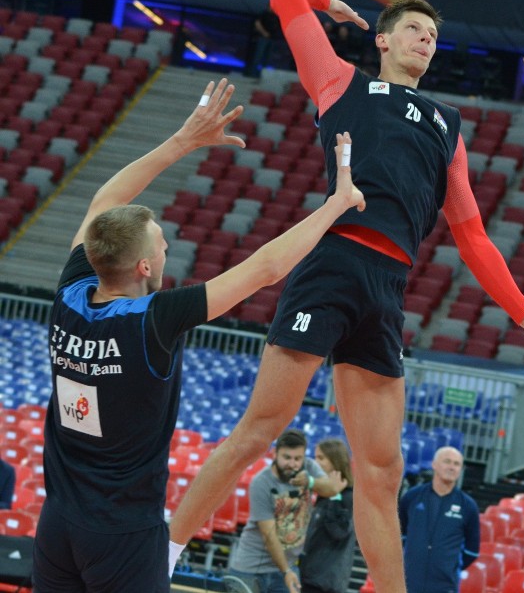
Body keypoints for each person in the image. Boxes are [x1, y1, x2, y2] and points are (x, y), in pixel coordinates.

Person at [168, 0, 524, 593]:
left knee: (382, 472)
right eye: (413, 29)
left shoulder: (448, 125)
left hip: (387, 287)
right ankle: (160, 557)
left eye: (433, 36)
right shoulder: (340, 81)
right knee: (259, 432)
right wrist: (329, 3)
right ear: (383, 40)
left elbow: (473, 238)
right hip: (331, 265)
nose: (425, 40)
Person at [31, 77, 365, 593]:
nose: (168, 248)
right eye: (161, 243)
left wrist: (183, 140)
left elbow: (104, 199)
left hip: (56, 526)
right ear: (144, 264)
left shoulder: (71, 293)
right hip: (122, 535)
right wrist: (337, 204)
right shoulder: (153, 318)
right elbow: (266, 268)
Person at [224, 429, 344, 593]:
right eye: (286, 457)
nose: (292, 464)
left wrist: (309, 481)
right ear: (275, 454)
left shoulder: (308, 467)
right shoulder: (261, 482)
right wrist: (286, 571)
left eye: (297, 459)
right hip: (251, 569)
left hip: (286, 568)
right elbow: (269, 535)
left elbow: (330, 489)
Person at [398, 446, 480, 593]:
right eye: (447, 461)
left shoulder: (468, 506)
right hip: (408, 582)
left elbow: (472, 551)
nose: (452, 467)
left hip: (445, 586)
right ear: (434, 464)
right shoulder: (412, 497)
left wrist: (447, 565)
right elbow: (399, 536)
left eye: (456, 464)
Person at [299, 438, 357, 593]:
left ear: (335, 461)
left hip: (326, 582)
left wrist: (334, 495)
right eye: (315, 456)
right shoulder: (325, 495)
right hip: (310, 575)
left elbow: (339, 531)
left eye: (321, 458)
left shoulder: (348, 497)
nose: (315, 462)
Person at [247, 6, 285, 77]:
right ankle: (252, 74)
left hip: (273, 38)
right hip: (263, 38)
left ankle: (262, 76)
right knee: (258, 56)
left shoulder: (276, 16)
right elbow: (257, 24)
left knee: (267, 58)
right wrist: (264, 32)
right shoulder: (264, 14)